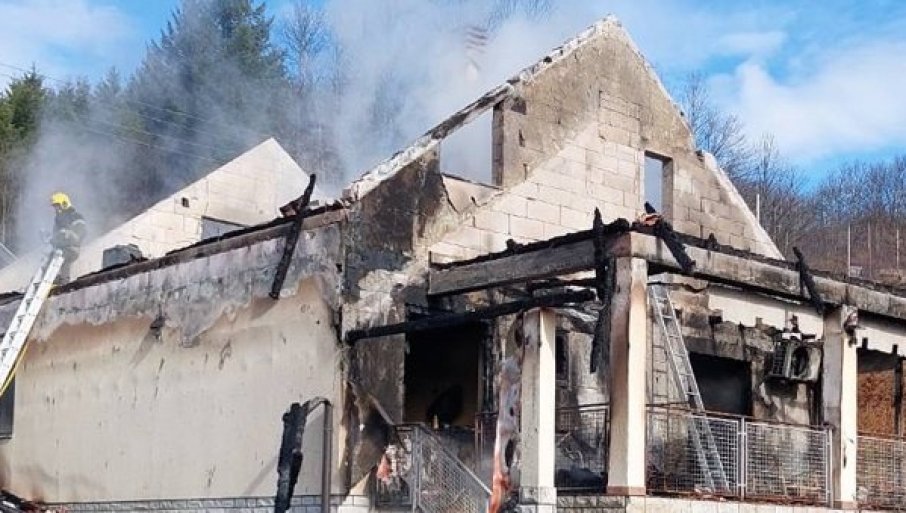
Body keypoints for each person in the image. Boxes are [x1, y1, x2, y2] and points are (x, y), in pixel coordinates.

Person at [50, 192, 86, 285]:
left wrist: (68, 234)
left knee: (63, 261)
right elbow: (56, 236)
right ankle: (55, 279)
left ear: (64, 203)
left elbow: (80, 233)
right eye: (55, 207)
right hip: (61, 248)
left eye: (57, 206)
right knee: (50, 259)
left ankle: (64, 282)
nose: (56, 209)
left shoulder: (75, 216)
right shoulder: (58, 220)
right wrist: (50, 238)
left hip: (71, 248)